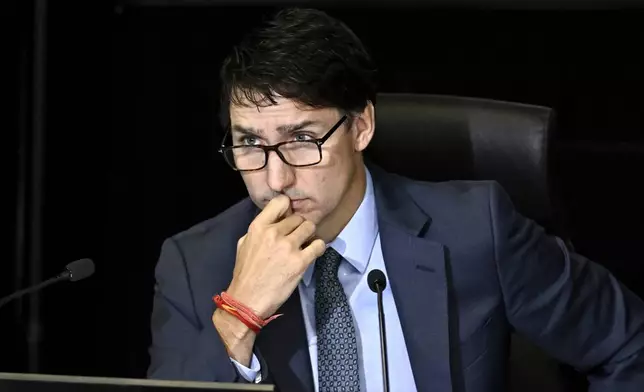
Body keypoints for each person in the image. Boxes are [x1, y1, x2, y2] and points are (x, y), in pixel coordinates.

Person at [147, 7, 644, 392]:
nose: (275, 178)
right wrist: (239, 316)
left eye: (302, 138)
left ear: (361, 126)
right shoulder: (195, 265)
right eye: (251, 144)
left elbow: (628, 343)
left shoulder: (475, 229)